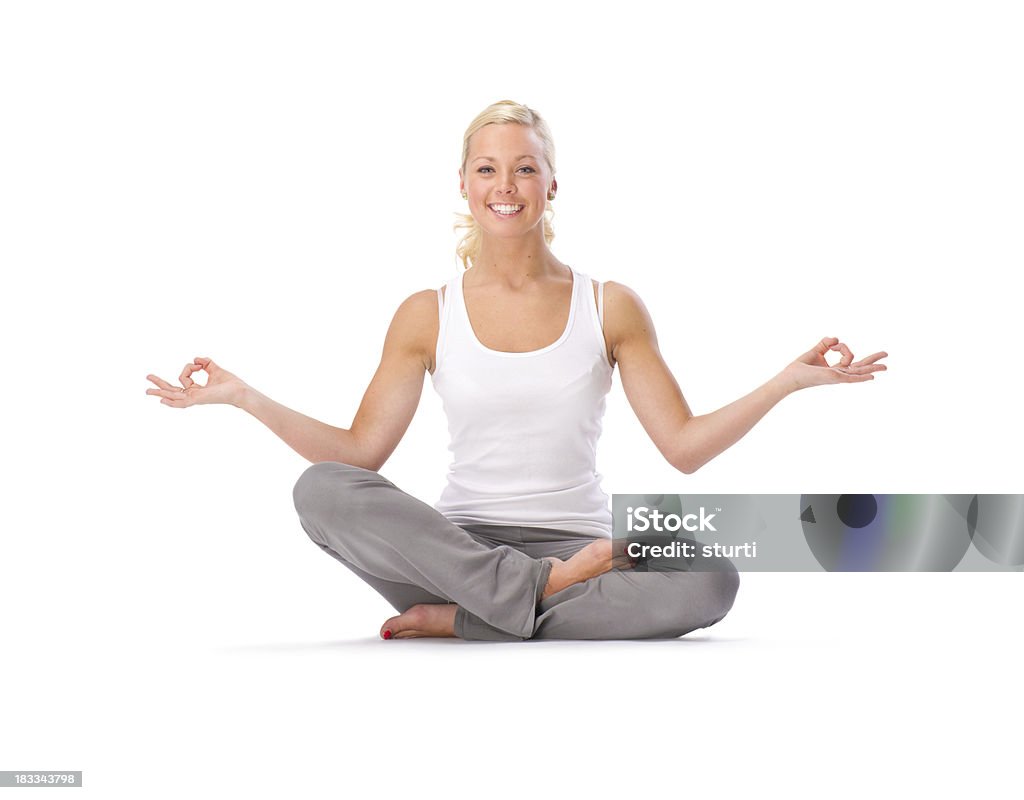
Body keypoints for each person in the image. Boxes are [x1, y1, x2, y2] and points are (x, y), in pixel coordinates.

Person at [145, 100, 887, 642]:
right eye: (489, 168)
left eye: (525, 167)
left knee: (709, 576)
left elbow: (683, 447)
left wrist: (788, 381)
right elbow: (360, 455)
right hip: (453, 550)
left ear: (552, 185)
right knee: (321, 489)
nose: (507, 183)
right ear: (465, 185)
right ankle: (520, 598)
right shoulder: (425, 313)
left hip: (580, 546)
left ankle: (474, 620)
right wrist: (243, 397)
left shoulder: (610, 306)